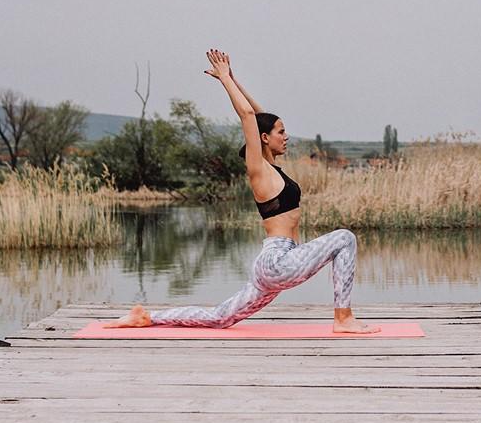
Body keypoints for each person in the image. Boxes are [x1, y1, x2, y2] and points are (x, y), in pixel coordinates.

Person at [106, 49, 378, 334]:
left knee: (220, 318)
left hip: (274, 265)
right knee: (345, 239)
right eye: (281, 132)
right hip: (279, 262)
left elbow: (258, 116)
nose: (286, 137)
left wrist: (234, 79)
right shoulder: (258, 170)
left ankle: (147, 317)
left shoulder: (272, 166)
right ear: (264, 138)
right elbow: (249, 116)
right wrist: (225, 80)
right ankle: (343, 318)